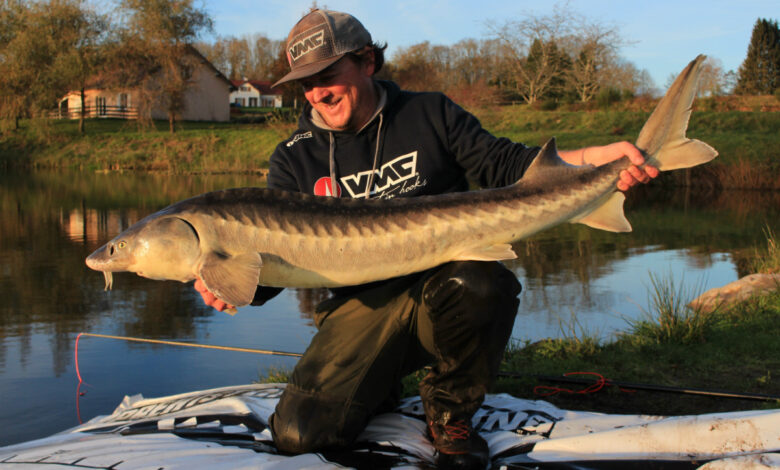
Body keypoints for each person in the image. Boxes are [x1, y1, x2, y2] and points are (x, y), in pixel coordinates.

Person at [196, 9, 658, 470]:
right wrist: (230, 282)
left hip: (447, 289)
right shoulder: (294, 158)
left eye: (327, 74)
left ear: (367, 62)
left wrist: (597, 160)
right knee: (301, 435)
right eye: (305, 83)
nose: (317, 93)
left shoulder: (428, 113)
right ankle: (375, 385)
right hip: (362, 311)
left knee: (482, 280)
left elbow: (508, 166)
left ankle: (450, 413)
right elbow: (274, 269)